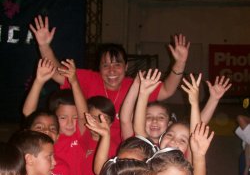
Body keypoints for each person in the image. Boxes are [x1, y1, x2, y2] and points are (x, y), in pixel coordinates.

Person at [29, 15, 190, 145]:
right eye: (105, 65)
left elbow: (167, 90)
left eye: (117, 64)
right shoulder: (90, 79)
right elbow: (57, 73)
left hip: (125, 149)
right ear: (98, 68)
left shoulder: (135, 85)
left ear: (126, 67)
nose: (111, 70)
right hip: (90, 147)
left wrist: (180, 62)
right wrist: (44, 46)